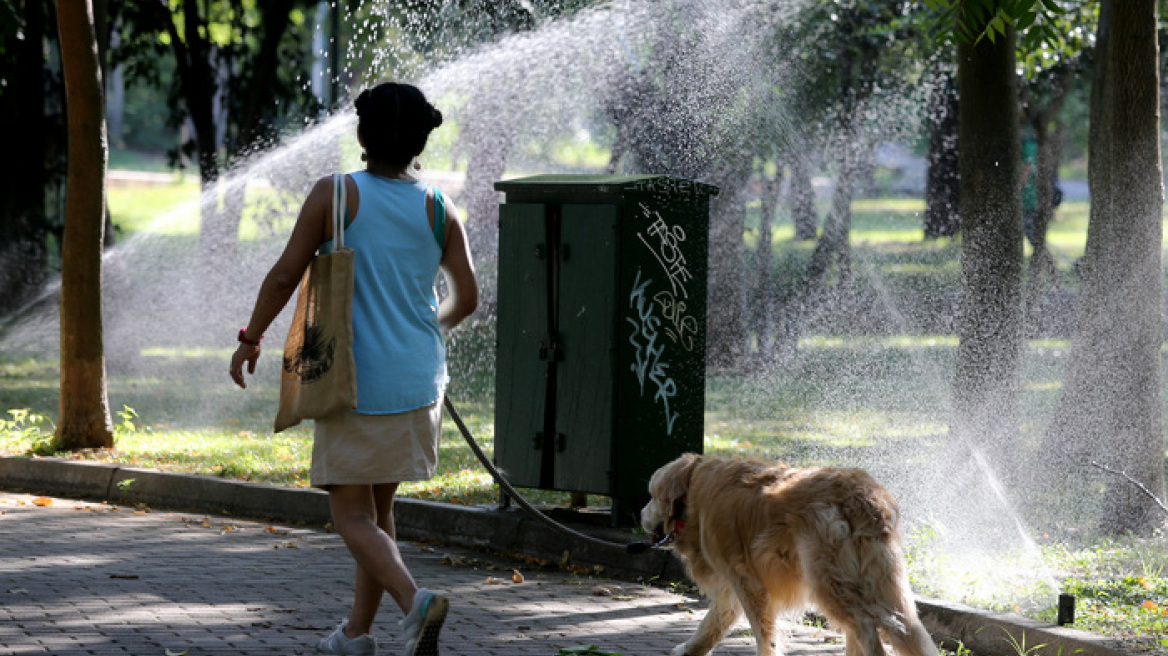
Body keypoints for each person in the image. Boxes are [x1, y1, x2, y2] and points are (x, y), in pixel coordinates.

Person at [229, 82, 479, 656]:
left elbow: (284, 275)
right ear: (419, 141)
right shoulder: (440, 208)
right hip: (417, 381)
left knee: (350, 515)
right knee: (379, 512)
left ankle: (417, 601)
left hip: (353, 380)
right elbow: (465, 300)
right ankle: (356, 637)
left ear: (363, 136)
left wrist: (251, 337)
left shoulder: (335, 195)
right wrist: (423, 336)